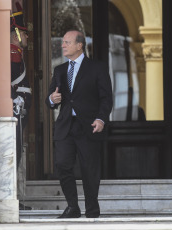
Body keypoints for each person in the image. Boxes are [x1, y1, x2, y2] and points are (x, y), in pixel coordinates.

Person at [45, 30, 113, 218]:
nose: (63, 45)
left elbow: (106, 98)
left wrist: (101, 119)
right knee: (62, 165)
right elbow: (49, 100)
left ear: (79, 45)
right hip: (66, 125)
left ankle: (92, 209)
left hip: (89, 125)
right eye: (63, 42)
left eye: (67, 42)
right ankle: (72, 206)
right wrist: (52, 98)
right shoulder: (59, 70)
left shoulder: (97, 68)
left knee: (89, 169)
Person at [10, 11, 32, 210]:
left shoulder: (17, 54)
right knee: (14, 153)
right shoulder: (12, 54)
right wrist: (13, 97)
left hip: (19, 111)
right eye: (24, 34)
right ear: (16, 33)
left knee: (17, 153)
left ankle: (15, 199)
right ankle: (12, 200)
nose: (26, 37)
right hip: (15, 110)